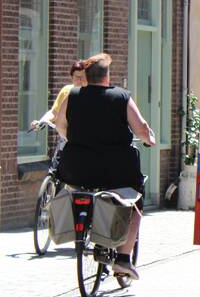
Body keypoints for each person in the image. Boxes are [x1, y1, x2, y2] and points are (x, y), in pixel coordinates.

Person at [54, 53, 155, 280]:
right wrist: (149, 138)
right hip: (115, 170)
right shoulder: (121, 97)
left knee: (81, 188)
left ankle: (88, 229)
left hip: (76, 168)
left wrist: (77, 139)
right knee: (135, 204)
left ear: (87, 78)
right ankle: (122, 260)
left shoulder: (73, 95)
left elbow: (60, 124)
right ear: (107, 77)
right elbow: (140, 128)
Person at [31, 60, 87, 175]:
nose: (81, 81)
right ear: (71, 77)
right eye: (77, 77)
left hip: (84, 137)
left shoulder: (91, 94)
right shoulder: (67, 91)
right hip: (66, 135)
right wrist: (41, 122)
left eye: (84, 77)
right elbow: (54, 112)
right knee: (56, 165)